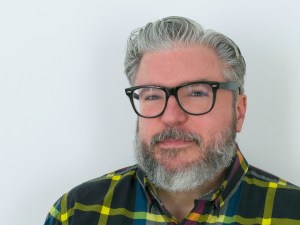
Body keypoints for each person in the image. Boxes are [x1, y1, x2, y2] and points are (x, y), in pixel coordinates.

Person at [44, 16, 300, 225]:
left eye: (197, 93)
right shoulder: (76, 213)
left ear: (239, 111)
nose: (171, 117)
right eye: (153, 95)